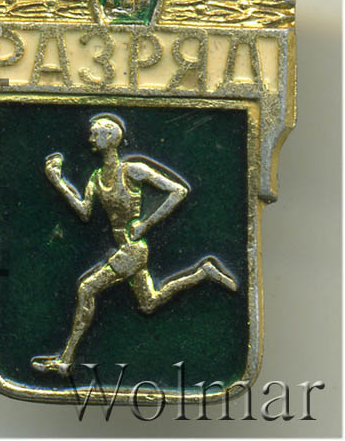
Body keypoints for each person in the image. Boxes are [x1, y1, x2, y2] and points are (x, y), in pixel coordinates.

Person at [31, 113, 237, 376]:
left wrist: (146, 223)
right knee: (149, 303)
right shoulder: (96, 177)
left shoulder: (132, 170)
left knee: (87, 288)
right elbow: (84, 211)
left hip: (133, 250)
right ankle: (202, 273)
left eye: (95, 133)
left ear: (109, 138)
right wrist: (58, 181)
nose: (90, 138)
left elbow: (178, 191)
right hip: (123, 249)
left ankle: (65, 360)